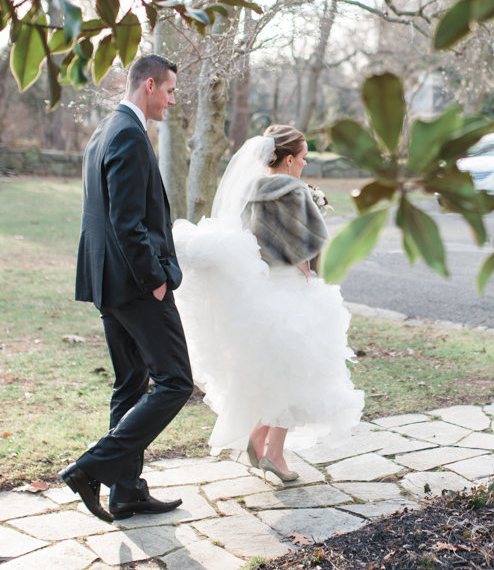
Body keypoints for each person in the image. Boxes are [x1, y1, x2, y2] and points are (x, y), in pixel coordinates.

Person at [173, 125, 363, 483]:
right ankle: (273, 452)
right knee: (297, 373)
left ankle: (259, 436)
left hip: (263, 290)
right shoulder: (293, 192)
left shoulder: (248, 190)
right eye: (303, 158)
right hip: (293, 289)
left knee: (276, 373)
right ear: (289, 160)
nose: (305, 165)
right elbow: (309, 246)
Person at [66, 55, 192, 522]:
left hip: (107, 282)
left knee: (130, 383)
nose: (173, 101)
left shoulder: (104, 130)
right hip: (138, 287)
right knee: (175, 381)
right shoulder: (129, 135)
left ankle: (127, 492)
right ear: (151, 85)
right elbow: (127, 221)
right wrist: (156, 280)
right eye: (171, 91)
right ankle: (91, 468)